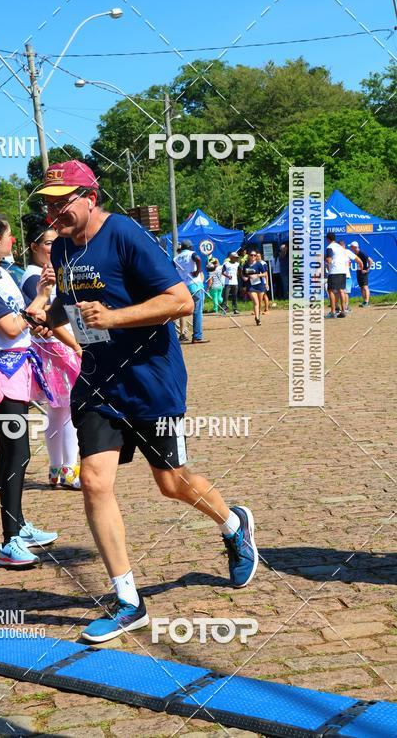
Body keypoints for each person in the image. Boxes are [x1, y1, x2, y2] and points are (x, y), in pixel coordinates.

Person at [34, 160, 257, 643]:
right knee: (94, 481)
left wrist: (115, 319)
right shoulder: (67, 250)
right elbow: (73, 309)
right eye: (48, 203)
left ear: (90, 196)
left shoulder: (127, 235)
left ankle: (232, 522)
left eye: (62, 200)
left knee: (172, 484)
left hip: (150, 382)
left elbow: (181, 301)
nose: (53, 211)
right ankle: (128, 599)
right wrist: (49, 314)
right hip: (97, 385)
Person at [0, 202, 59, 567]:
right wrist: (40, 300)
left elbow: (21, 324)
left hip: (17, 369)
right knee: (13, 453)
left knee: (19, 452)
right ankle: (9, 539)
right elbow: (9, 328)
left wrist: (38, 318)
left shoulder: (2, 276)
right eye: (9, 236)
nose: (15, 241)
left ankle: (17, 523)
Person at [21, 213, 82, 490]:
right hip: (55, 348)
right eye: (47, 244)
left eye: (55, 243)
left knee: (58, 413)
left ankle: (59, 469)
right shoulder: (34, 276)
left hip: (57, 346)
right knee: (66, 411)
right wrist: (75, 345)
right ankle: (68, 469)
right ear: (34, 247)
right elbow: (43, 317)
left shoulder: (46, 272)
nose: (52, 248)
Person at [325, 233, 361, 318]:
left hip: (334, 271)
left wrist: (326, 260)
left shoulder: (330, 247)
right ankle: (343, 311)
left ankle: (333, 312)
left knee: (330, 291)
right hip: (343, 271)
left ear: (328, 239)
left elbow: (329, 260)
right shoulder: (341, 248)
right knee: (341, 290)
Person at [173, 239, 195, 340]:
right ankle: (193, 334)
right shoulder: (190, 255)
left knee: (182, 310)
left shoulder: (176, 258)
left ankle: (182, 332)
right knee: (193, 310)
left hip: (181, 285)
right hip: (189, 284)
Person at [242, 250, 267, 325]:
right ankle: (257, 318)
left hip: (259, 285)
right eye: (251, 255)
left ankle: (258, 316)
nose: (253, 256)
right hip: (250, 286)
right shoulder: (246, 265)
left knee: (259, 302)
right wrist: (244, 278)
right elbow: (243, 274)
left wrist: (257, 275)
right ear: (249, 256)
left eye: (254, 255)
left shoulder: (259, 264)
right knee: (255, 302)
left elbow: (265, 273)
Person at [187, 256, 208, 344]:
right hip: (195, 286)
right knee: (198, 311)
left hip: (183, 286)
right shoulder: (191, 255)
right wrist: (196, 272)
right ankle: (197, 336)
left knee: (177, 312)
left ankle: (175, 335)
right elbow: (198, 259)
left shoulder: (176, 259)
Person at [349, 241, 373, 307]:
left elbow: (371, 261)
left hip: (363, 272)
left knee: (365, 287)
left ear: (354, 247)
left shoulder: (361, 253)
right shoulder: (356, 253)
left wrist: (367, 269)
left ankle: (367, 302)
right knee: (362, 287)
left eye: (351, 247)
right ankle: (364, 301)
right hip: (359, 271)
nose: (350, 248)